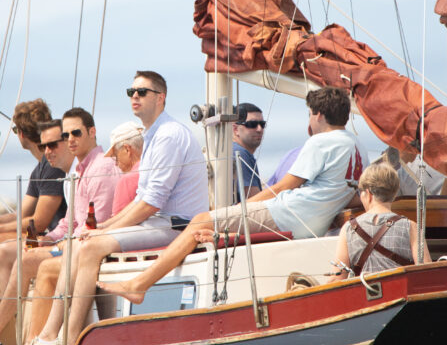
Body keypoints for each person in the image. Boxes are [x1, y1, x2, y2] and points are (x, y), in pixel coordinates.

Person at [101, 86, 366, 308]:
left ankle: (140, 284)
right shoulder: (357, 146)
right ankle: (141, 283)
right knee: (206, 226)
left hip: (287, 214)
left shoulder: (320, 142)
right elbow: (351, 192)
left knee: (200, 221)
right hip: (312, 223)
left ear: (318, 115)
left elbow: (286, 185)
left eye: (310, 115)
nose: (310, 121)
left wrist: (242, 207)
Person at [30, 70, 208, 345]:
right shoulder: (154, 135)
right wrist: (102, 228)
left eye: (142, 92)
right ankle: (52, 332)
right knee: (82, 241)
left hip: (176, 225)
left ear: (160, 98)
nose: (134, 96)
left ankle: (70, 339)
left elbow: (152, 203)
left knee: (88, 248)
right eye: (131, 92)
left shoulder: (169, 136)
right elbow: (141, 200)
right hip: (158, 222)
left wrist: (107, 230)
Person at [0, 107, 119, 345]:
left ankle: (9, 338)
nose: (70, 140)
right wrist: (48, 239)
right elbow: (69, 221)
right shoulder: (79, 171)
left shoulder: (99, 169)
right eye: (67, 135)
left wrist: (56, 241)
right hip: (74, 244)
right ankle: (17, 337)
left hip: (88, 249)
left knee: (24, 260)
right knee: (24, 254)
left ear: (92, 132)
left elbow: (93, 225)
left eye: (75, 134)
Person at [0, 98, 66, 285]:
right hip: (45, 234)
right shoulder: (40, 169)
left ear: (22, 133)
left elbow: (39, 223)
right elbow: (22, 214)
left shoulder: (52, 167)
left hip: (54, 238)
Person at [328, 161, 431, 279]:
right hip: (399, 292)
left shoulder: (349, 228)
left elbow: (338, 277)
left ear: (368, 193)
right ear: (394, 193)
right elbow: (426, 274)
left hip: (363, 295)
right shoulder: (411, 227)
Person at [106, 120, 144, 214]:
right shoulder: (161, 169)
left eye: (116, 156)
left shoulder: (127, 180)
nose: (116, 163)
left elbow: (118, 221)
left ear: (127, 149)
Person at [232, 102, 264, 201]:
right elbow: (255, 202)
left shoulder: (232, 150)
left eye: (262, 124)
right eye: (252, 124)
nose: (259, 129)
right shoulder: (240, 153)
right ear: (236, 129)